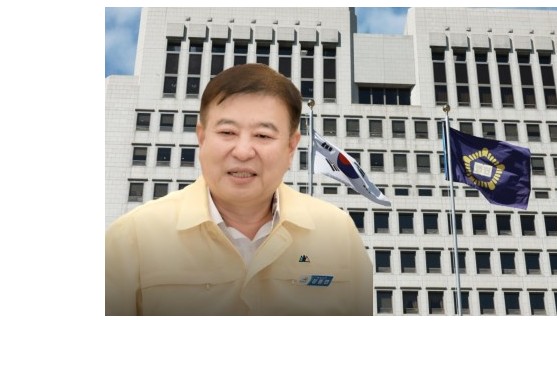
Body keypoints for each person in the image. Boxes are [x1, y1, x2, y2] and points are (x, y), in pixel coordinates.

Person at [106, 63, 373, 315]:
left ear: (291, 147)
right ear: (202, 137)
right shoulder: (133, 237)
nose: (243, 152)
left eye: (263, 135)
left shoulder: (337, 233)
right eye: (227, 132)